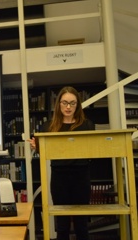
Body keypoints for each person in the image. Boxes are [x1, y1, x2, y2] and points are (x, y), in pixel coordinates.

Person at [28, 86, 95, 240]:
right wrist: (37, 148)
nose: (68, 107)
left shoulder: (87, 125)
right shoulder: (48, 127)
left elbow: (92, 149)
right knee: (62, 224)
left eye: (72, 103)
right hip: (59, 177)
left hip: (81, 175)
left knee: (81, 224)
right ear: (58, 104)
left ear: (77, 105)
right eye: (65, 103)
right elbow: (45, 152)